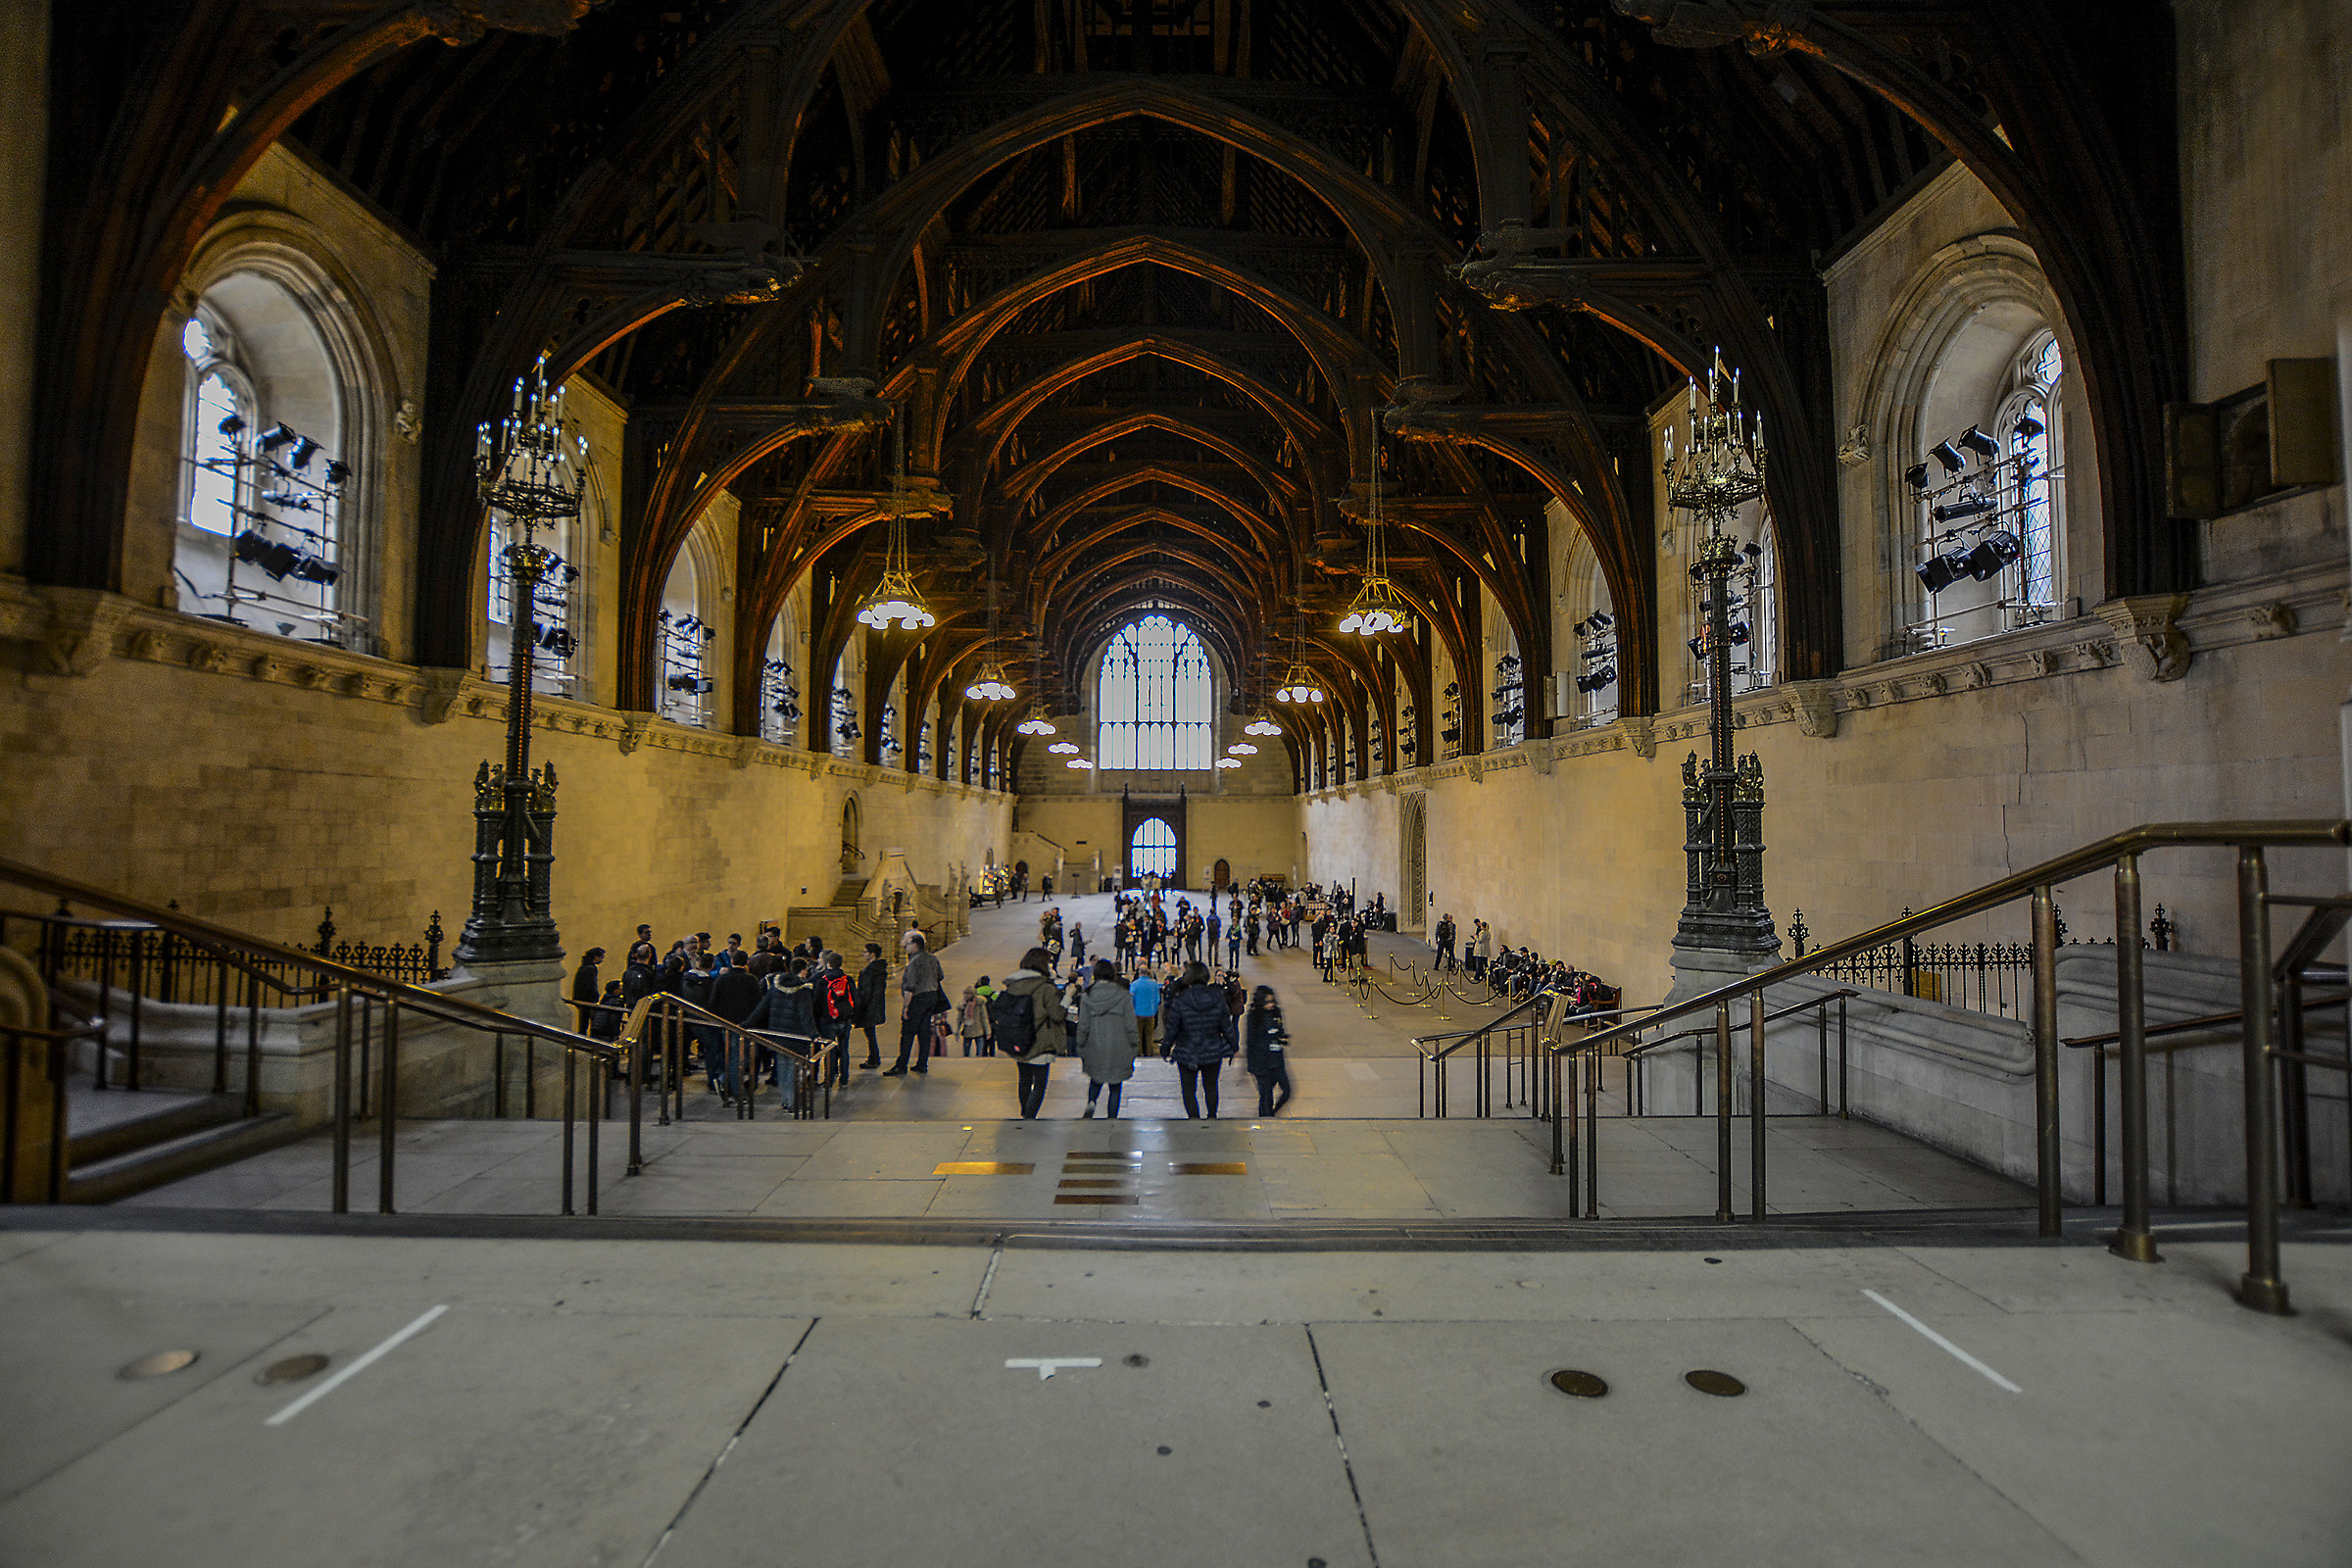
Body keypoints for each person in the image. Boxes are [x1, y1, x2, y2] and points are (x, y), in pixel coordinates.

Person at [995, 947, 1065, 1119]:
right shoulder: (1046, 988)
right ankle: (1029, 1116)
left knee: (1024, 1079)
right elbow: (1057, 1014)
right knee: (1040, 1083)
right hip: (1040, 1041)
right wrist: (1068, 996)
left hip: (1018, 1037)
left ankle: (1025, 1112)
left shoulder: (1013, 984)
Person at [1161, 960, 1238, 1119]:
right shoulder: (1217, 997)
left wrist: (1166, 1048)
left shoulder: (1181, 1000)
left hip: (1186, 1051)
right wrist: (1233, 1045)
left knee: (1189, 1090)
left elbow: (1172, 1028)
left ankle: (1194, 1120)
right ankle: (1211, 1117)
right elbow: (1227, 1026)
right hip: (1212, 1051)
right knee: (1211, 1087)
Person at [1073, 958, 1139, 1119]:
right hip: (1119, 1046)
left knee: (1096, 1080)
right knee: (1115, 1087)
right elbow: (1130, 1025)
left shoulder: (1087, 996)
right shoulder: (1123, 996)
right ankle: (1111, 1118)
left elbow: (1083, 1026)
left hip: (1095, 1045)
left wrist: (1080, 1045)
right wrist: (1134, 1045)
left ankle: (1091, 1102)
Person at [885, 928, 947, 1076]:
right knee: (924, 1032)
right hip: (932, 997)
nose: (905, 949)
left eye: (907, 946)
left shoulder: (914, 961)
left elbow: (910, 986)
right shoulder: (932, 958)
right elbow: (941, 976)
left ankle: (901, 1065)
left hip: (918, 999)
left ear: (915, 946)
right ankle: (922, 1064)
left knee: (908, 1032)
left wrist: (906, 1007)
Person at [708, 956, 764, 1101]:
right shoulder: (751, 980)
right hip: (746, 1025)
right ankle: (735, 1090)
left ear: (732, 962)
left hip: (727, 1024)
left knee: (733, 1056)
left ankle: (725, 1081)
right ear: (746, 963)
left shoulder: (722, 979)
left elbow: (714, 1002)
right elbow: (759, 1004)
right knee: (742, 1058)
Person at [1245, 985, 1293, 1115]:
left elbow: (1280, 1029)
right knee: (1266, 1096)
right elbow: (1251, 1041)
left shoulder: (1276, 1012)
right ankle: (1266, 1118)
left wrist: (1281, 1037)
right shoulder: (1254, 1016)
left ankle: (1273, 1113)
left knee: (1287, 1090)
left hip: (1277, 1060)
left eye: (1272, 1001)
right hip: (1262, 1062)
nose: (1271, 1005)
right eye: (1267, 1002)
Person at [817, 951, 856, 1087]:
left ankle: (829, 1080)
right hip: (845, 1019)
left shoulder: (823, 981)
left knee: (829, 1050)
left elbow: (818, 1001)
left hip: (828, 1020)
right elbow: (855, 999)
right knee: (844, 1049)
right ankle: (844, 1079)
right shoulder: (848, 979)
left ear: (828, 964)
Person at [854, 942, 888, 1067]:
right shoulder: (879, 969)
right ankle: (873, 1057)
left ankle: (873, 1058)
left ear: (872, 954)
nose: (863, 954)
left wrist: (859, 1005)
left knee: (870, 1033)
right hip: (876, 1004)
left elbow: (866, 991)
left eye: (865, 952)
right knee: (870, 1032)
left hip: (869, 1006)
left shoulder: (870, 971)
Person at [1131, 964, 1162, 1057]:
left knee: (1138, 1035)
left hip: (1138, 1012)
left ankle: (1139, 1052)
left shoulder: (1135, 984)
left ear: (1139, 973)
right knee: (1149, 1035)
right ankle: (1149, 1052)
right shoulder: (1154, 984)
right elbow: (1158, 1000)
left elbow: (1131, 998)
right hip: (1150, 1013)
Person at [569, 948, 605, 1025]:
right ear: (596, 957)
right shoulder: (590, 969)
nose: (602, 960)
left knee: (583, 1023)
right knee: (586, 1023)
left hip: (580, 999)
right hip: (587, 1000)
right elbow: (591, 986)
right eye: (601, 957)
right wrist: (595, 997)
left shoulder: (582, 967)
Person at [958, 982, 994, 1056]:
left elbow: (984, 1018)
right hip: (967, 1031)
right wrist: (957, 1031)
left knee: (979, 1055)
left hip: (978, 1031)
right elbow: (959, 1019)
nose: (967, 995)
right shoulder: (963, 1004)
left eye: (969, 994)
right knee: (966, 1054)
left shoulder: (980, 1003)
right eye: (966, 994)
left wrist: (988, 1031)